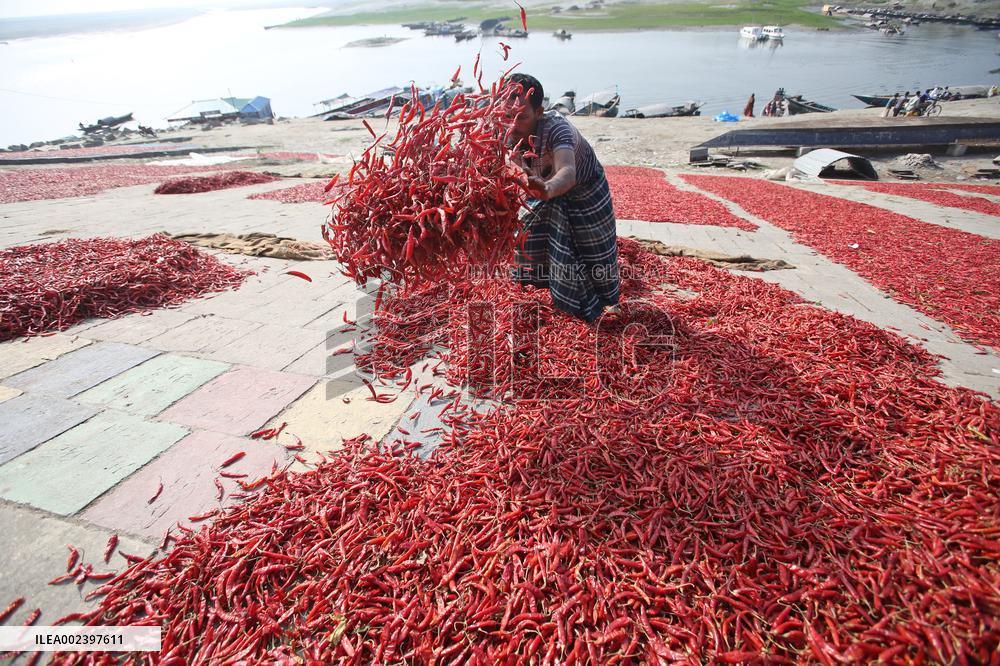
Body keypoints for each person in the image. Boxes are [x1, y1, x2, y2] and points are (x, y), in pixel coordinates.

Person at [506, 73, 620, 323]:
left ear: (539, 112)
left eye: (522, 116)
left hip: (586, 189)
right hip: (541, 187)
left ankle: (604, 302)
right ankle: (551, 290)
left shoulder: (557, 129)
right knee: (531, 236)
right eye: (508, 115)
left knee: (594, 250)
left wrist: (546, 190)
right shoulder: (506, 129)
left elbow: (568, 172)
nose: (513, 123)